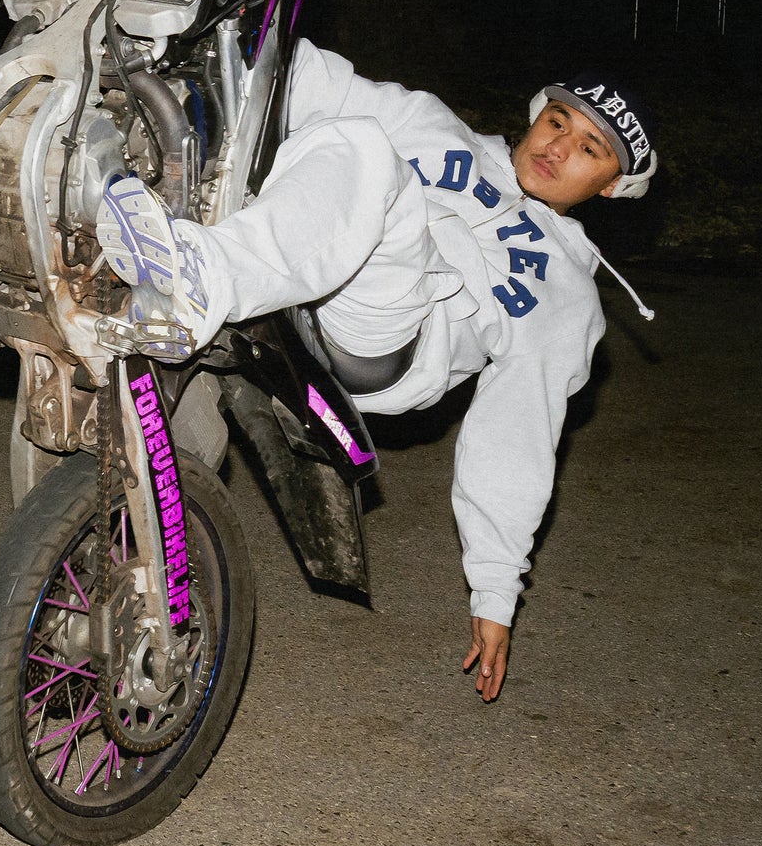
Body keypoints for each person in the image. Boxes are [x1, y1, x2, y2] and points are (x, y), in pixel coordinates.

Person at [87, 42, 657, 702]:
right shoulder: (435, 127)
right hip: (300, 266)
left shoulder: (566, 296)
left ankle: (198, 281)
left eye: (589, 148)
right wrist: (191, 40)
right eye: (558, 122)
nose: (557, 148)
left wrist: (495, 590)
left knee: (367, 150)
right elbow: (307, 77)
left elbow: (517, 433)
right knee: (325, 119)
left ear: (611, 184)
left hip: (389, 335)